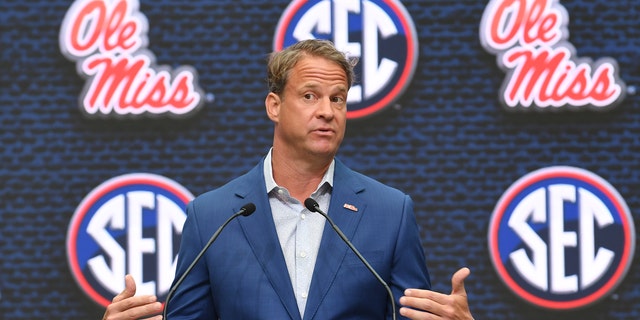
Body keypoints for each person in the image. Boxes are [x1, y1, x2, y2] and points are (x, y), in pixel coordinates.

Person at [102, 39, 474, 320]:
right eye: (310, 96)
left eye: (338, 98)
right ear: (274, 106)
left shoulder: (390, 213)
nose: (327, 111)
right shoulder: (213, 216)